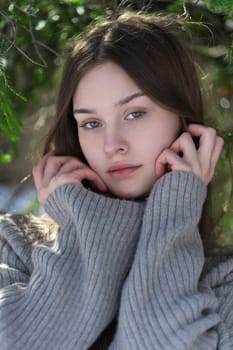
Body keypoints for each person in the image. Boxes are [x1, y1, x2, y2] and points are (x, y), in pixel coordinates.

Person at [0, 12, 232, 350]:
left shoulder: (224, 279)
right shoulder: (15, 246)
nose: (112, 145)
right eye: (91, 123)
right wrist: (90, 223)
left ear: (184, 121)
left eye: (135, 113)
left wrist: (176, 206)